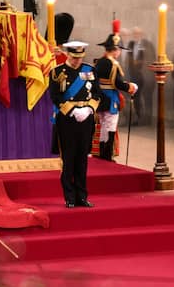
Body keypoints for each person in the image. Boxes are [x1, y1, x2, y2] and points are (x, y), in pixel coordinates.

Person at [49, 40, 100, 207]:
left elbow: (97, 94)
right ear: (68, 54)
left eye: (80, 57)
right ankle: (69, 197)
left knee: (82, 159)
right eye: (74, 57)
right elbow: (54, 96)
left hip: (86, 120)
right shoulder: (57, 72)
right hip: (67, 120)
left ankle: (82, 196)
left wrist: (89, 109)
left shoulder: (90, 70)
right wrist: (72, 110)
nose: (77, 61)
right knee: (69, 159)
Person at [92, 23, 138, 161]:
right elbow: (117, 83)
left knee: (103, 125)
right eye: (119, 50)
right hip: (111, 98)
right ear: (115, 49)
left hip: (100, 98)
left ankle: (101, 152)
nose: (119, 52)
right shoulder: (113, 64)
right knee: (111, 126)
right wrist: (130, 87)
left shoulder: (99, 62)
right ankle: (107, 155)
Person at [124, 27, 153, 124]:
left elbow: (150, 58)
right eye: (134, 33)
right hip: (134, 76)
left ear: (142, 34)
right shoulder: (131, 44)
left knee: (147, 97)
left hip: (145, 75)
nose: (136, 35)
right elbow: (128, 59)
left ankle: (148, 118)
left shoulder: (148, 45)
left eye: (138, 33)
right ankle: (138, 117)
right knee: (135, 97)